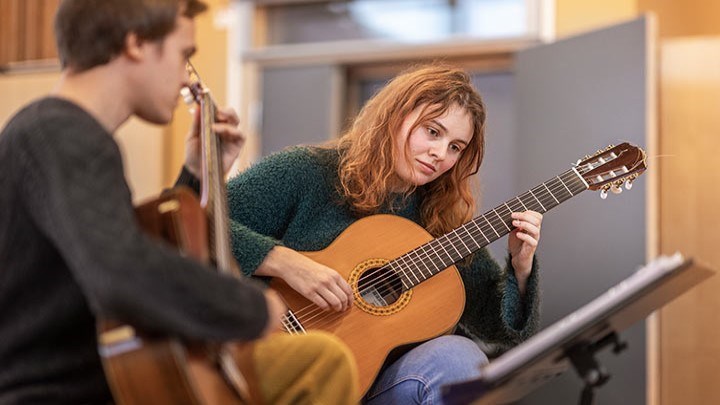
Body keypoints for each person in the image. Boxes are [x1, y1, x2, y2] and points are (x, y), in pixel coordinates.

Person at [0, 0, 358, 404]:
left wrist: (198, 174)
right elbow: (122, 271)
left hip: (105, 380)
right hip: (61, 392)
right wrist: (252, 307)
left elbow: (148, 242)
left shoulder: (63, 133)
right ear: (136, 44)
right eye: (183, 55)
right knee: (319, 361)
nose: (186, 77)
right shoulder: (61, 134)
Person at [222, 64, 544, 404]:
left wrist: (521, 269)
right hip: (269, 361)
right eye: (433, 132)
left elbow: (500, 330)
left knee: (458, 357)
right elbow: (199, 223)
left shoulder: (443, 220)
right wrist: (285, 262)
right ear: (394, 116)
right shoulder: (306, 171)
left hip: (373, 391)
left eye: (455, 147)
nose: (440, 154)